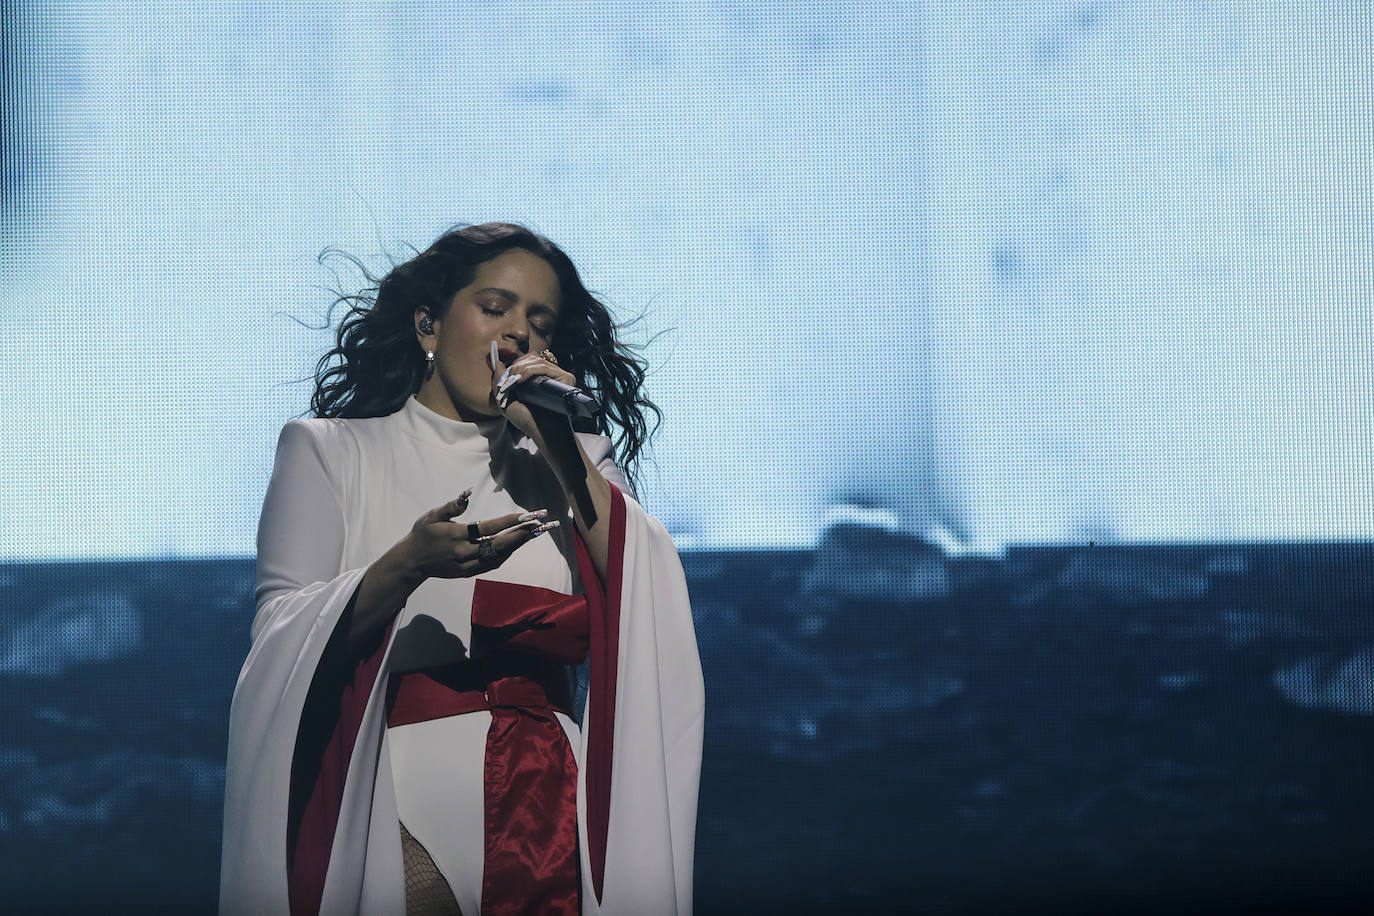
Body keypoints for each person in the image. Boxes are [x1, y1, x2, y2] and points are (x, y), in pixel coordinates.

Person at [219, 223, 704, 915]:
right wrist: (408, 564)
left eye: (539, 321)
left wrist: (557, 445)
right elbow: (280, 639)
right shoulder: (330, 451)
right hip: (392, 806)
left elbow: (644, 592)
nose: (517, 336)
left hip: (548, 811)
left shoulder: (578, 465)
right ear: (429, 324)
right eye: (495, 307)